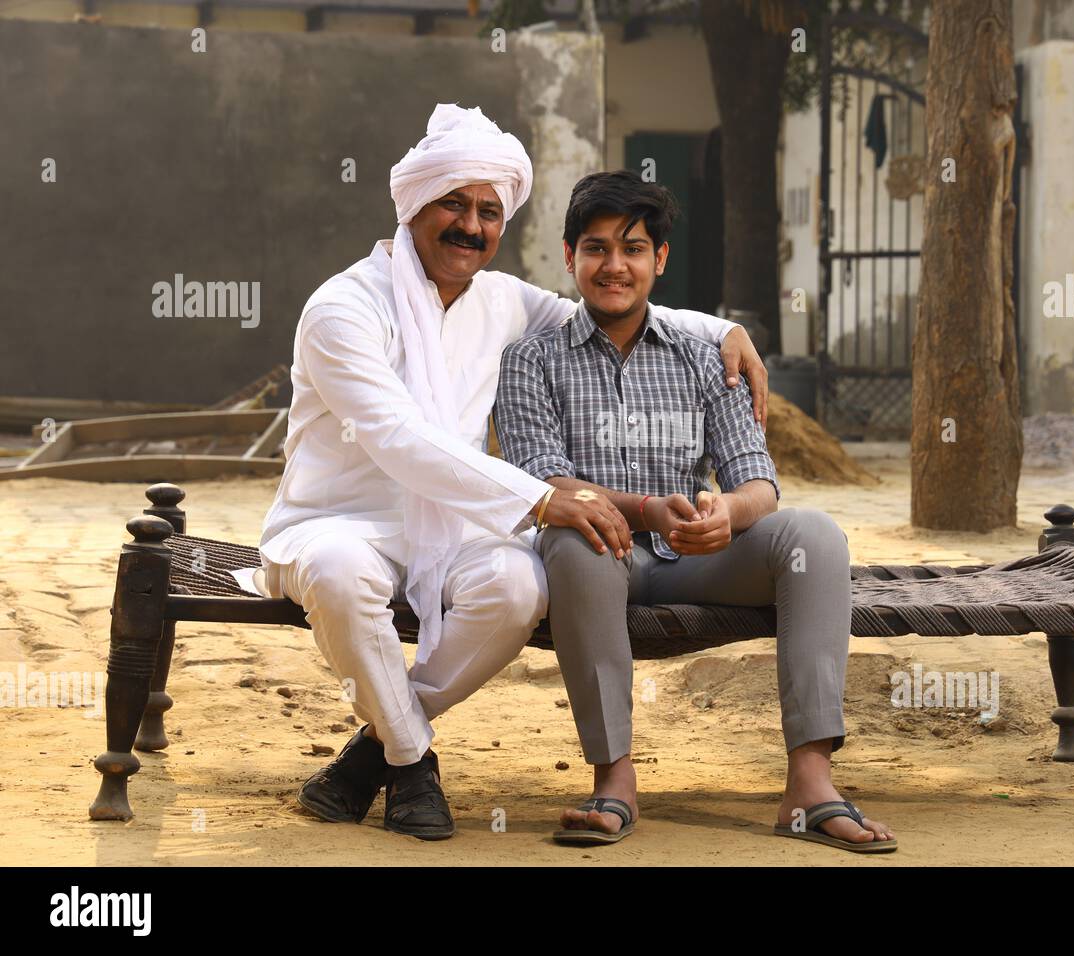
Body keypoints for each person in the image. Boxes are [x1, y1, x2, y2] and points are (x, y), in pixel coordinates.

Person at [248, 106, 768, 841]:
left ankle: (375, 750)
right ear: (414, 206)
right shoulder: (344, 308)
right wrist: (540, 499)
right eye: (453, 204)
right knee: (338, 576)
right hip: (337, 521)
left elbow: (606, 307)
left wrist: (725, 330)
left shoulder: (502, 301)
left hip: (451, 528)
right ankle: (411, 763)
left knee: (521, 586)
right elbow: (400, 439)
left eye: (488, 212)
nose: (471, 226)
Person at [495, 171, 897, 853]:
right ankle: (613, 778)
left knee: (814, 538)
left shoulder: (705, 358)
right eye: (596, 249)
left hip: (699, 559)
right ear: (569, 258)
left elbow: (759, 482)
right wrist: (644, 510)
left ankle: (809, 783)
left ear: (661, 259)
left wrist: (728, 514)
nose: (614, 266)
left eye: (633, 248)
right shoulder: (530, 360)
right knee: (573, 538)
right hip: (601, 558)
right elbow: (544, 480)